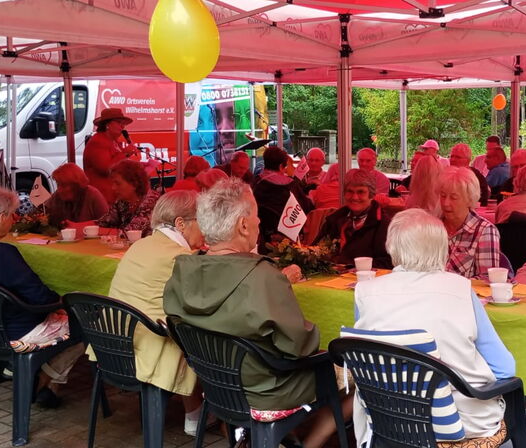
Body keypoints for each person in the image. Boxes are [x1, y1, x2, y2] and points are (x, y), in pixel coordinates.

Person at [163, 178, 351, 448]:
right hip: (266, 390)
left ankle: (279, 440)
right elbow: (301, 346)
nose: (260, 222)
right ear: (242, 225)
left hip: (214, 384)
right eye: (256, 216)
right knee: (355, 374)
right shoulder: (262, 276)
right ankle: (306, 443)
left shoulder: (182, 270)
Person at [354, 208, 515, 443]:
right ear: (443, 247)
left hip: (388, 418)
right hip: (457, 422)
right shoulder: (460, 289)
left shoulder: (365, 291)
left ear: (391, 246)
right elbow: (504, 369)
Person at [0, 186, 85, 408]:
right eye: (12, 214)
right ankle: (46, 379)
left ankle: (44, 378)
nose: (14, 219)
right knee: (89, 325)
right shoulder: (3, 254)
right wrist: (64, 304)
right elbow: (41, 298)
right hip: (18, 331)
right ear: (2, 217)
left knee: (69, 315)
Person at [107, 190, 204, 434]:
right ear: (181, 223)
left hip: (114, 347)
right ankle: (198, 416)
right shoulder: (180, 256)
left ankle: (195, 414)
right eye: (201, 220)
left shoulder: (140, 244)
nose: (205, 228)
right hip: (149, 351)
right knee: (201, 335)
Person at [316, 169, 394, 269]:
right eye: (350, 191)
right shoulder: (335, 219)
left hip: (366, 281)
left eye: (361, 192)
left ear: (372, 195)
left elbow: (389, 262)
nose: (355, 197)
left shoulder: (383, 225)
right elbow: (316, 249)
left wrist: (351, 266)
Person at [439, 167, 501, 279]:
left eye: (454, 197)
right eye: (443, 196)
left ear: (470, 199)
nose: (446, 203)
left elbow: (486, 280)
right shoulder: (433, 228)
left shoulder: (484, 231)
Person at [252, 146, 313, 245]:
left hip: (261, 236)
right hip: (289, 238)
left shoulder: (256, 183)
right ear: (281, 166)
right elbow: (306, 207)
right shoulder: (291, 186)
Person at [83, 108, 137, 204]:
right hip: (102, 196)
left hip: (113, 194)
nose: (122, 126)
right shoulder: (98, 141)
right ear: (107, 124)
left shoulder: (113, 141)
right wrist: (125, 153)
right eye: (119, 122)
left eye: (123, 123)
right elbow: (106, 168)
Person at [98, 159, 162, 236]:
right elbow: (102, 223)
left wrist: (99, 231)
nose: (113, 188)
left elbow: (129, 233)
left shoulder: (151, 202)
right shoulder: (123, 201)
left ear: (134, 184)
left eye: (118, 183)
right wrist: (82, 227)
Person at [44, 163, 108, 227]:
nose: (59, 189)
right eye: (58, 184)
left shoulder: (93, 195)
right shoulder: (57, 196)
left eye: (64, 185)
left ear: (76, 185)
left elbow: (108, 223)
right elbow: (42, 213)